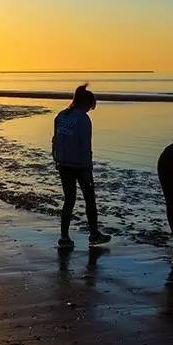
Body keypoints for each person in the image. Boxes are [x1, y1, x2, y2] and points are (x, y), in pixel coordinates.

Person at [51, 84, 111, 250]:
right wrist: (88, 167)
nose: (89, 110)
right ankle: (93, 234)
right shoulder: (83, 119)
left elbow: (55, 140)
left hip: (63, 164)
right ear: (85, 103)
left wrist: (56, 158)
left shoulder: (61, 116)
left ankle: (64, 236)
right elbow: (85, 145)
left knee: (69, 200)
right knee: (90, 199)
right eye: (90, 107)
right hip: (79, 165)